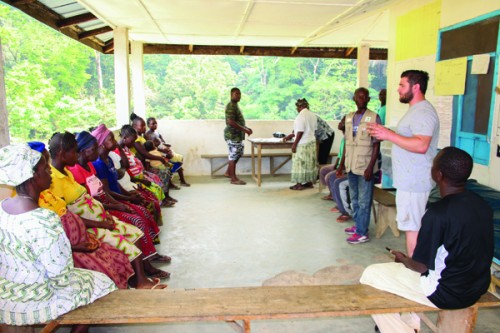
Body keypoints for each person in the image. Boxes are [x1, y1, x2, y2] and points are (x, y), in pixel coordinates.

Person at [360, 147, 494, 333]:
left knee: (370, 275)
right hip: (477, 286)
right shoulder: (482, 205)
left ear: (438, 174)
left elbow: (421, 267)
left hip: (446, 293)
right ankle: (411, 323)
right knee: (403, 278)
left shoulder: (437, 214)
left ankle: (399, 330)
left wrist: (404, 260)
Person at [0, 144, 116, 330]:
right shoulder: (44, 219)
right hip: (36, 299)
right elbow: (60, 277)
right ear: (33, 176)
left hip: (6, 293)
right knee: (101, 282)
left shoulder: (3, 208)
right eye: (45, 169)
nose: (50, 172)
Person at [367, 70, 439, 256]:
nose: (398, 89)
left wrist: (388, 135)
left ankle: (414, 271)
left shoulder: (423, 112)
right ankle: (416, 266)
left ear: (416, 87)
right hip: (410, 181)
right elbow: (409, 137)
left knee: (413, 227)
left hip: (415, 181)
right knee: (412, 226)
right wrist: (386, 132)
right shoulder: (415, 110)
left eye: (402, 85)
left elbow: (422, 145)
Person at [337, 88, 380, 244]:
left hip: (365, 167)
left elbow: (376, 145)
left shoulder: (374, 117)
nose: (361, 99)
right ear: (354, 99)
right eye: (358, 97)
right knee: (354, 198)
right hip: (350, 165)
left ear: (368, 99)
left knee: (364, 201)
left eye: (364, 97)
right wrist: (341, 164)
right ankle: (358, 225)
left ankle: (362, 233)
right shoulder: (349, 117)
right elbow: (347, 143)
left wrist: (370, 167)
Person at [283, 98, 318, 190]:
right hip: (311, 142)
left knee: (299, 164)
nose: (297, 109)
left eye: (297, 107)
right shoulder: (313, 115)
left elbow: (300, 131)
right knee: (309, 163)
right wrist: (291, 135)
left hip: (302, 143)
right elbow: (312, 129)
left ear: (300, 106)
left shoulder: (300, 116)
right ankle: (309, 182)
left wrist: (294, 144)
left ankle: (299, 184)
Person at [145, 116, 190, 187]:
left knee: (179, 162)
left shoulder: (156, 132)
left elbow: (162, 142)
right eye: (153, 124)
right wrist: (165, 152)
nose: (155, 125)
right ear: (148, 125)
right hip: (158, 154)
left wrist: (166, 145)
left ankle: (181, 181)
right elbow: (153, 147)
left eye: (156, 123)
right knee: (176, 164)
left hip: (163, 150)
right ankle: (173, 182)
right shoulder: (148, 134)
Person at [224, 87, 253, 185]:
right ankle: (233, 179)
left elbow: (237, 121)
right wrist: (244, 129)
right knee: (233, 155)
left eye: (239, 94)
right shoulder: (231, 106)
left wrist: (246, 128)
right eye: (236, 94)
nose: (238, 96)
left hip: (237, 136)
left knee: (239, 152)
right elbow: (230, 122)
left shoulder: (235, 105)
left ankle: (228, 172)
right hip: (232, 135)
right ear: (231, 94)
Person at [320, 116, 345, 200]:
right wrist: (336, 163)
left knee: (329, 176)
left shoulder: (349, 139)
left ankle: (336, 196)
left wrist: (340, 167)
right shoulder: (343, 138)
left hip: (345, 166)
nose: (339, 123)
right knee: (323, 170)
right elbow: (340, 154)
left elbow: (345, 156)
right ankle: (332, 192)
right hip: (340, 164)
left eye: (342, 121)